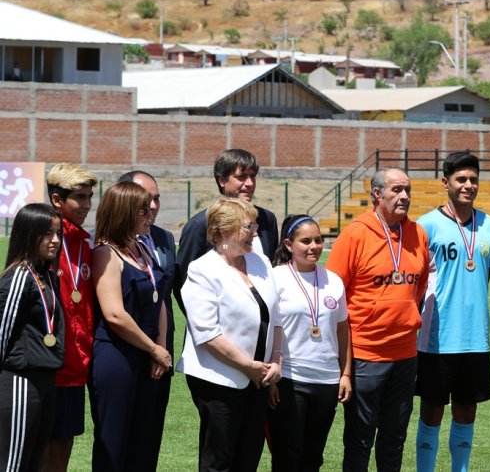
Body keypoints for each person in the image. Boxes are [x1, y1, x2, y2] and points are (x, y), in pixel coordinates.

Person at [327, 167, 430, 472]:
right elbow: (333, 294)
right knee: (360, 439)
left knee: (394, 438)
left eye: (408, 190)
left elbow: (420, 285)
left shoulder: (417, 233)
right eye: (397, 190)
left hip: (405, 355)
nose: (404, 196)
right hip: (365, 355)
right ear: (377, 194)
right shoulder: (355, 234)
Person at [176, 197, 282, 472]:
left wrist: (276, 361)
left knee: (248, 458)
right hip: (219, 381)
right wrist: (248, 366)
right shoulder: (202, 270)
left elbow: (276, 317)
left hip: (258, 379)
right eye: (248, 226)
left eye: (255, 224)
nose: (256, 231)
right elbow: (207, 334)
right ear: (223, 231)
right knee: (219, 461)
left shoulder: (259, 261)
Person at [414, 152, 490, 472]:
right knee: (432, 411)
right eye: (461, 179)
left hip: (476, 338)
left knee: (467, 412)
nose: (468, 185)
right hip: (437, 336)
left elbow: (484, 276)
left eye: (473, 179)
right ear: (445, 183)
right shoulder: (426, 225)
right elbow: (418, 281)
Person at [88, 182, 172, 472]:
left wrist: (158, 347)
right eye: (142, 211)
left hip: (149, 357)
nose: (150, 216)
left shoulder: (141, 248)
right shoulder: (105, 253)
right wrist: (154, 349)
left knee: (142, 440)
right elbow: (114, 314)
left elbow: (160, 298)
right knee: (114, 441)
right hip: (117, 356)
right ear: (124, 213)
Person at [267, 214, 351, 472]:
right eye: (306, 241)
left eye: (318, 240)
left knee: (313, 457)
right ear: (289, 245)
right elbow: (268, 329)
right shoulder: (275, 278)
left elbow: (342, 330)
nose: (314, 246)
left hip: (326, 381)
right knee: (287, 455)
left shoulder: (333, 280)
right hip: (290, 378)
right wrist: (270, 377)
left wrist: (345, 373)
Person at [118, 170, 177, 471]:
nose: (152, 206)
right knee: (121, 438)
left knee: (150, 435)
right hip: (124, 351)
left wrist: (162, 348)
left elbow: (168, 293)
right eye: (145, 200)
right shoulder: (107, 244)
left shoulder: (164, 239)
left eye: (156, 199)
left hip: (160, 351)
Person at [0, 204, 64, 472]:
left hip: (44, 381)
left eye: (57, 233)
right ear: (29, 234)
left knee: (34, 462)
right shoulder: (18, 277)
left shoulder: (44, 274)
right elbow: (1, 335)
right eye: (48, 234)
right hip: (20, 383)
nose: (56, 240)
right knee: (12, 465)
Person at [41, 164, 97, 472]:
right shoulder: (43, 242)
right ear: (57, 200)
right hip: (46, 364)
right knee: (38, 446)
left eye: (89, 197)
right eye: (79, 197)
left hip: (77, 364)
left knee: (63, 444)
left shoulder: (86, 244)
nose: (87, 205)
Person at [175, 149, 278, 313]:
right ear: (222, 180)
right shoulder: (200, 224)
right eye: (241, 177)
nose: (250, 183)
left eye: (253, 176)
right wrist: (203, 322)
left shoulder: (267, 219)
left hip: (261, 327)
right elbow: (183, 282)